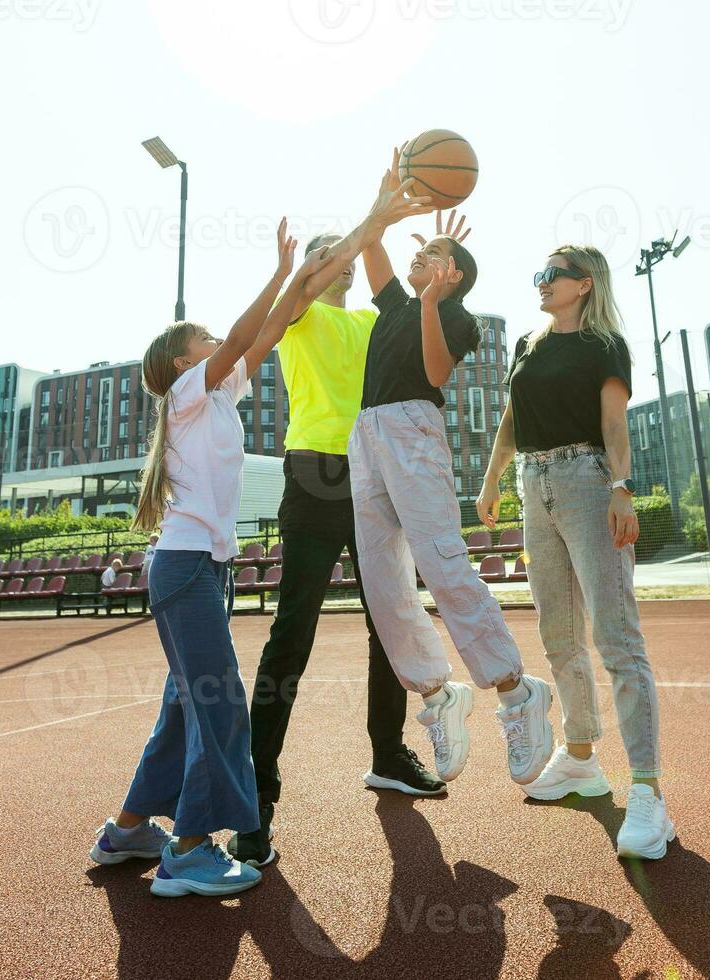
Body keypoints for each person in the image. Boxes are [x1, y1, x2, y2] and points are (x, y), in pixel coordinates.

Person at [89, 219, 338, 897]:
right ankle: (189, 851)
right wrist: (279, 269)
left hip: (204, 569)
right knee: (219, 700)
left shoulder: (219, 395)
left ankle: (130, 829)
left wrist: (307, 275)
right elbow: (239, 337)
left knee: (184, 706)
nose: (215, 346)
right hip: (186, 567)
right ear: (182, 361)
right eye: (200, 340)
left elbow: (274, 329)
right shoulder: (188, 394)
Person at [226, 190, 448, 868]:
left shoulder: (372, 323)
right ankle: (256, 794)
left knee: (391, 616)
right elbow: (307, 284)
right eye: (327, 255)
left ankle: (387, 751)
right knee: (294, 628)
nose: (340, 262)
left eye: (342, 254)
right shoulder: (297, 317)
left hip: (374, 476)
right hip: (316, 476)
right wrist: (371, 221)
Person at [348, 149, 553, 789]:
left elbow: (436, 374)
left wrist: (434, 302)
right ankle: (438, 696)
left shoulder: (455, 317)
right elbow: (369, 246)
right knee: (382, 581)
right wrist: (383, 204)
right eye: (419, 249)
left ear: (455, 274)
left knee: (441, 560)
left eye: (434, 254)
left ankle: (516, 692)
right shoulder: (391, 305)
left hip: (413, 428)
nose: (418, 256)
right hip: (369, 432)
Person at [476, 244, 674, 860]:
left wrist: (621, 488)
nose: (540, 282)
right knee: (559, 634)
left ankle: (648, 791)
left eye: (551, 275)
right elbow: (512, 414)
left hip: (589, 480)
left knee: (615, 636)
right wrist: (491, 477)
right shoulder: (528, 344)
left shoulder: (604, 345)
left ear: (583, 284)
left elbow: (614, 424)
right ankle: (581, 757)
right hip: (533, 486)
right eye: (537, 274)